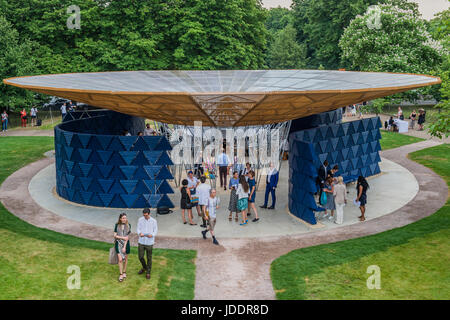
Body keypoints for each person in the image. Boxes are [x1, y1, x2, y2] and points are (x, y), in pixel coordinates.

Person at [137, 208, 158, 280]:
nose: (145, 216)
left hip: (149, 242)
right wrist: (140, 233)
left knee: (149, 258)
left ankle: (148, 272)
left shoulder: (154, 221)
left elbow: (155, 230)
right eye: (144, 215)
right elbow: (138, 228)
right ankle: (145, 267)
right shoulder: (140, 220)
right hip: (141, 241)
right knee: (140, 257)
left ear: (149, 214)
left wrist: (152, 235)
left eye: (146, 215)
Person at [114, 213, 131, 282]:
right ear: (120, 218)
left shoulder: (128, 225)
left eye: (125, 218)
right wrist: (122, 237)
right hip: (118, 243)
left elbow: (127, 238)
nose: (124, 219)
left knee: (125, 259)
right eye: (123, 218)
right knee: (120, 259)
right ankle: (120, 274)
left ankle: (124, 272)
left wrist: (124, 247)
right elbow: (115, 235)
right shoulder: (117, 225)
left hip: (126, 244)